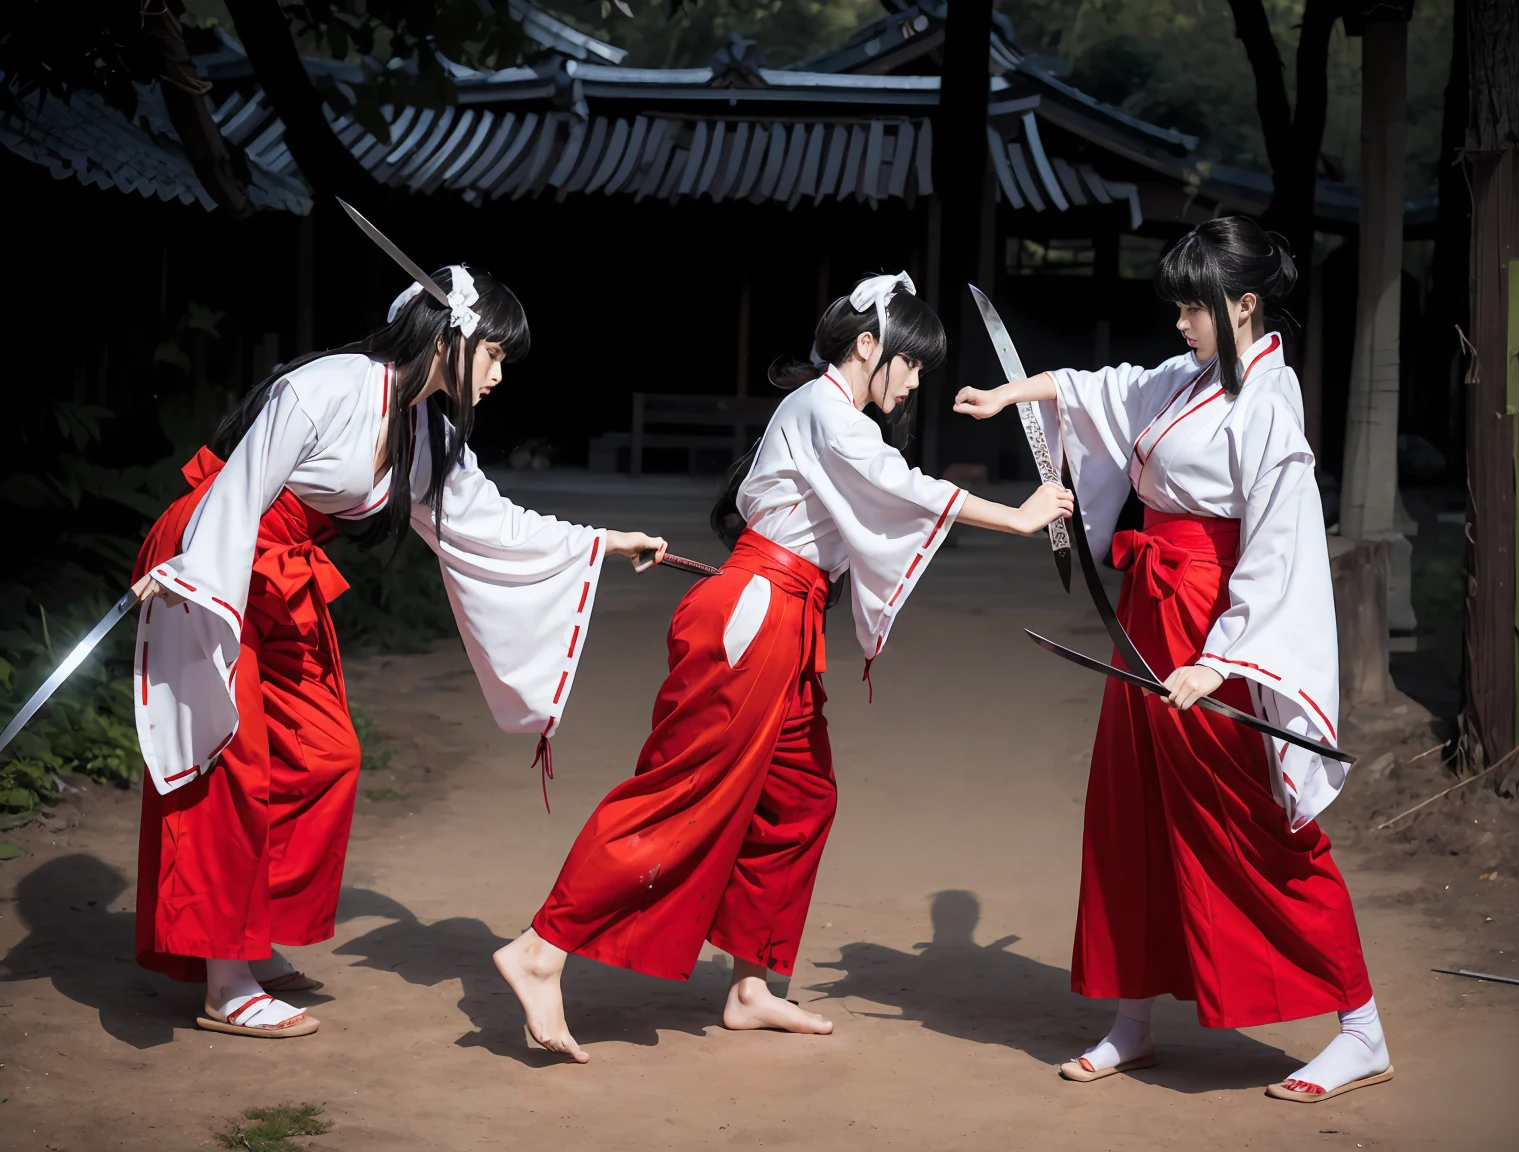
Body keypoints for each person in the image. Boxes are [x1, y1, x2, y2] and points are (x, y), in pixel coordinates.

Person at [495, 272, 1075, 1062]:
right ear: (868, 346)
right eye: (908, 363)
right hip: (755, 616)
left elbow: (877, 492)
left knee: (801, 800)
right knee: (684, 789)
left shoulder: (833, 415)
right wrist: (1015, 515)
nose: (913, 382)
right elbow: (892, 484)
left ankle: (752, 984)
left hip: (784, 619)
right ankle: (542, 946)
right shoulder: (823, 409)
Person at [131, 264, 666, 1038]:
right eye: (494, 354)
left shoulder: (424, 433)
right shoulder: (333, 386)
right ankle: (225, 978)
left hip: (277, 570)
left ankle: (243, 935)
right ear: (452, 337)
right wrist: (193, 571)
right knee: (230, 755)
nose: (499, 373)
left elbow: (493, 525)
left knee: (326, 754)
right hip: (211, 554)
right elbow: (240, 487)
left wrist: (604, 543)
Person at [954, 217, 1391, 1103]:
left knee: (1253, 822)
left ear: (1246, 305)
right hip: (1153, 613)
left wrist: (1222, 662)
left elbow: (1275, 550)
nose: (1182, 322)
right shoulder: (1188, 376)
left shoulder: (1269, 403)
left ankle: (1362, 1028)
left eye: (1196, 307)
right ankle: (1134, 1019)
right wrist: (1015, 397)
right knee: (1132, 809)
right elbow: (1103, 390)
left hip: (1210, 623)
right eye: (1181, 306)